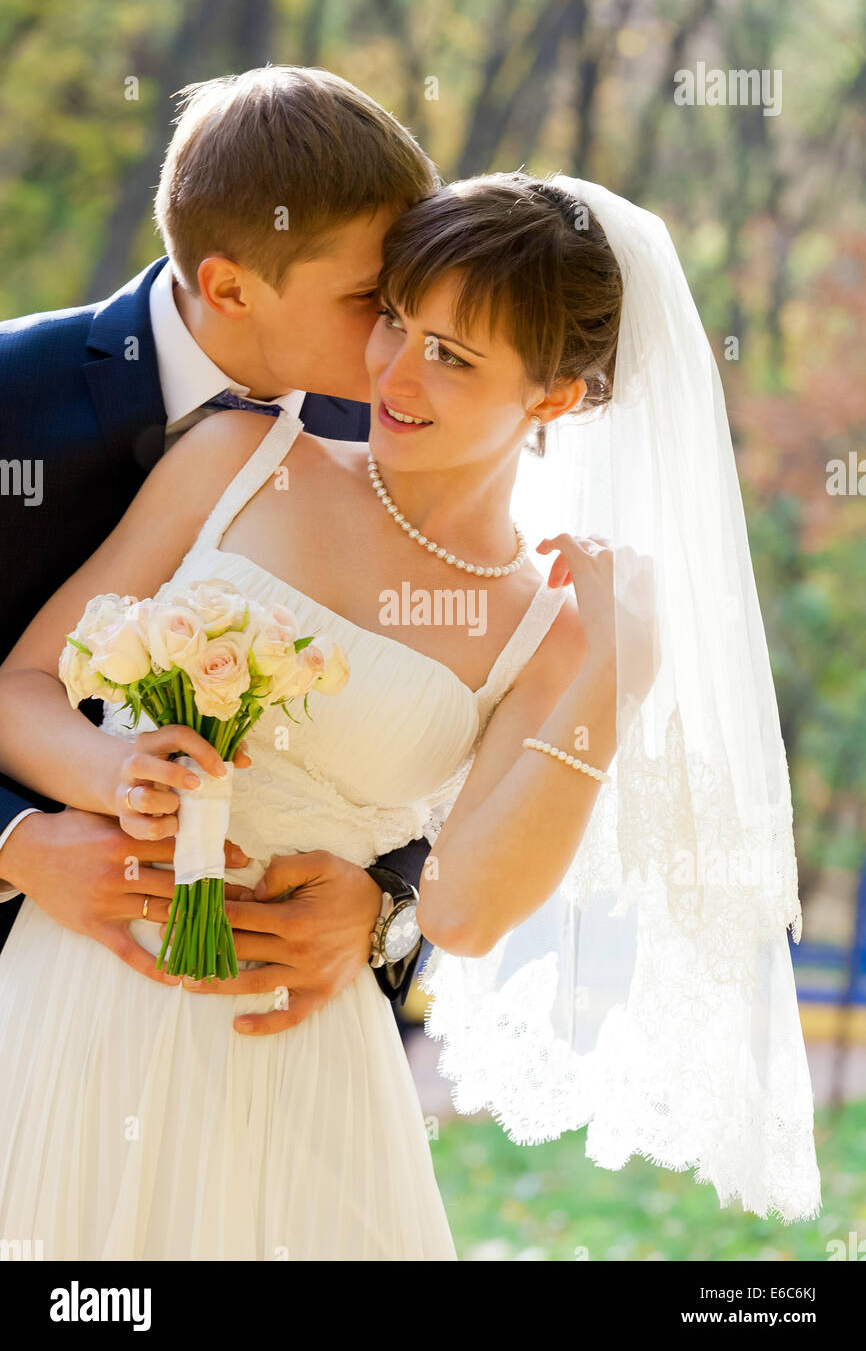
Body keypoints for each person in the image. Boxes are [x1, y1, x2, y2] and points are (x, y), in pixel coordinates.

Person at [0, 165, 632, 1258]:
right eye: (396, 319)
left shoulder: (552, 633)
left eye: (454, 355)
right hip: (78, 988)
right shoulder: (245, 456)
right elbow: (21, 686)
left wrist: (624, 671)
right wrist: (118, 776)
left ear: (552, 397)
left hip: (287, 1043)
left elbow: (467, 913)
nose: (396, 369)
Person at [0, 67, 440, 1027]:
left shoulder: (397, 440)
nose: (400, 332)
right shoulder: (11, 397)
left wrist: (387, 907)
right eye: (371, 297)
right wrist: (15, 845)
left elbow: (446, 709)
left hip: (274, 1028)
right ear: (229, 286)